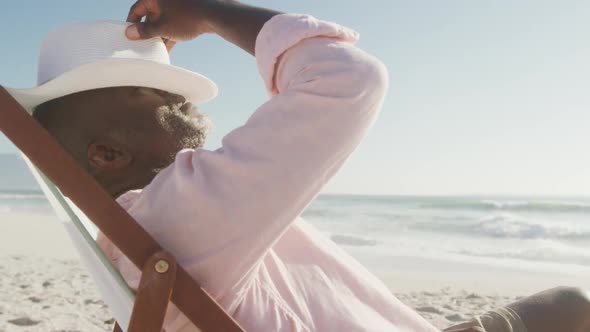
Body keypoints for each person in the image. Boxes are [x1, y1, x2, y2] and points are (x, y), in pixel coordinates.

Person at [12, 0, 589, 331]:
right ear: (107, 154)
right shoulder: (180, 212)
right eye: (152, 95)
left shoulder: (146, 233)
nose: (181, 102)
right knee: (572, 309)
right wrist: (211, 11)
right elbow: (349, 78)